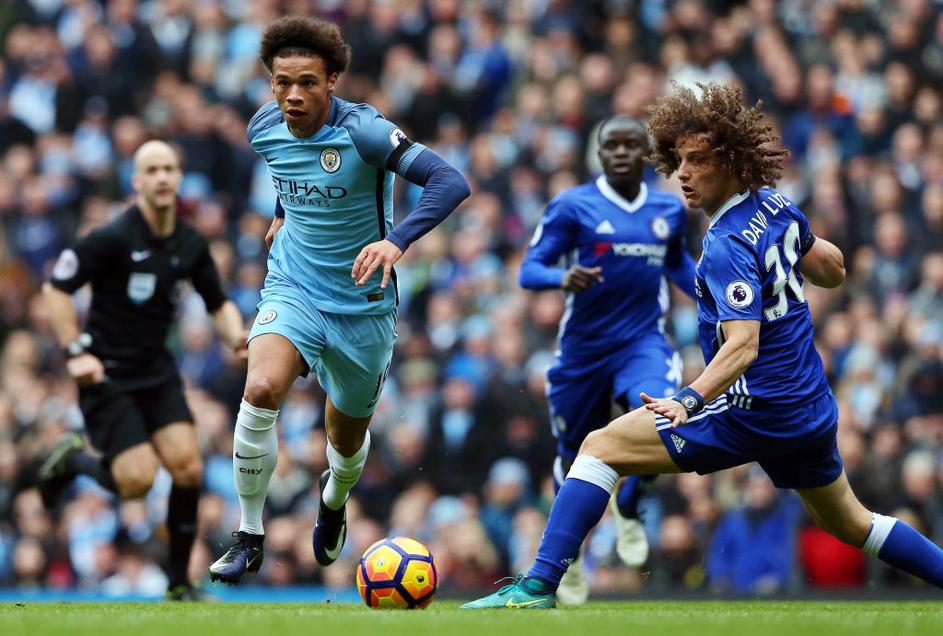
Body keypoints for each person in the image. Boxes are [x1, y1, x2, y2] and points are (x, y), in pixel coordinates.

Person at [462, 82, 943, 609]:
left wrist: (688, 400)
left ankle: (537, 586)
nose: (683, 174)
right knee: (853, 522)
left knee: (599, 447)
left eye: (698, 161)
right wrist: (800, 240)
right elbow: (834, 269)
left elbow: (743, 345)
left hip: (755, 410)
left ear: (733, 161)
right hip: (807, 406)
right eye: (680, 160)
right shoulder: (776, 204)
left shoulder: (725, 242)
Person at [208, 16, 470, 584]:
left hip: (362, 306)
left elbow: (451, 181)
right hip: (294, 286)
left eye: (307, 82)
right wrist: (283, 213)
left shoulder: (365, 132)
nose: (293, 95)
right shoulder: (263, 128)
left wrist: (397, 240)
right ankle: (249, 535)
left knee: (344, 440)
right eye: (282, 83)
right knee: (260, 387)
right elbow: (289, 172)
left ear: (332, 81)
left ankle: (334, 499)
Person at [39, 140, 247, 601]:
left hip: (157, 372)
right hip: (108, 374)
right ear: (136, 181)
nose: (162, 177)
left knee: (188, 467)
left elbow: (217, 302)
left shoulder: (190, 243)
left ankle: (179, 584)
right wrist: (75, 351)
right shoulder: (112, 238)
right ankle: (74, 460)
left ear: (179, 177)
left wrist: (237, 337)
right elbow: (56, 289)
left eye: (169, 168)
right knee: (137, 481)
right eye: (152, 170)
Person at [518, 115, 696, 603]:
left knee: (662, 418)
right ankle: (569, 557)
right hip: (583, 352)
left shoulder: (668, 208)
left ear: (646, 154)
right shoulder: (572, 205)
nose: (620, 153)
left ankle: (631, 503)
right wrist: (561, 277)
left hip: (643, 342)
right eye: (610, 146)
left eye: (629, 145)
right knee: (574, 455)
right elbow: (530, 269)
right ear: (598, 155)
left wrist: (711, 296)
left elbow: (677, 263)